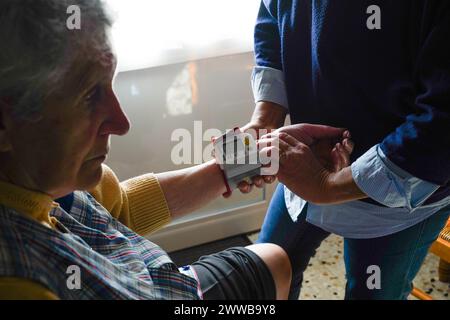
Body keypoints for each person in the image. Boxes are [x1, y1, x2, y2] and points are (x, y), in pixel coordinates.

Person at [0, 0, 350, 300]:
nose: (121, 123)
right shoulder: (21, 281)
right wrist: (330, 188)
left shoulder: (45, 177)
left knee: (275, 260)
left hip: (152, 277)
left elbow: (117, 209)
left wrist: (243, 160)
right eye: (88, 96)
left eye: (110, 85)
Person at [240, 0, 450, 299]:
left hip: (401, 198)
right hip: (306, 169)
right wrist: (265, 118)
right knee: (263, 276)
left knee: (371, 292)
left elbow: (440, 125)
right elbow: (272, 23)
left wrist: (328, 186)